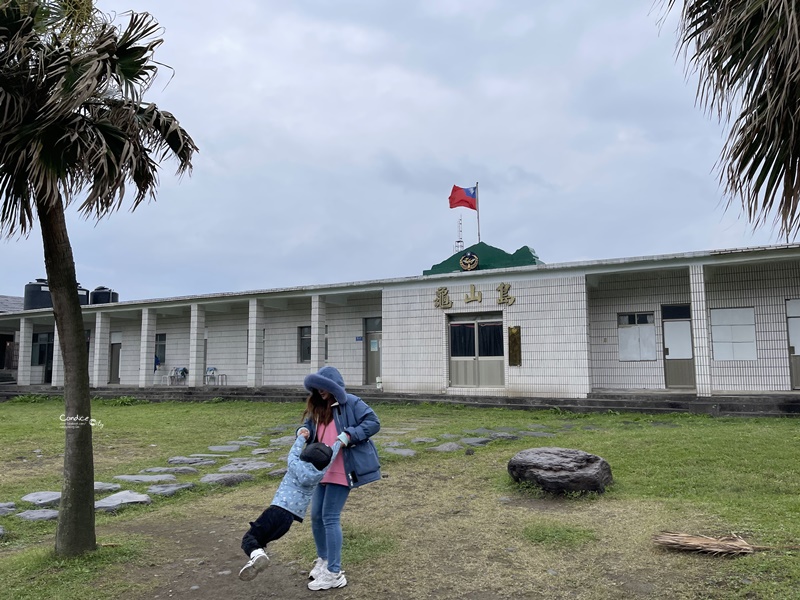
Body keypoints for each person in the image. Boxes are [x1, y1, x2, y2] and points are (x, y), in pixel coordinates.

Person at [298, 366, 381, 591]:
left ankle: (335, 573)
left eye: (323, 387)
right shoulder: (319, 406)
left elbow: (373, 422)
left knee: (330, 516)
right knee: (315, 516)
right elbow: (310, 426)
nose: (319, 391)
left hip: (342, 469)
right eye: (316, 387)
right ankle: (324, 561)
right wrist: (303, 431)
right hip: (321, 468)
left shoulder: (352, 402)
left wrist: (349, 435)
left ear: (333, 387)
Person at [238, 435, 345, 582]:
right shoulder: (319, 473)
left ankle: (257, 556)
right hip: (288, 520)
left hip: (276, 511)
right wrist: (339, 442)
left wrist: (301, 437)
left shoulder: (294, 464)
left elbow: (293, 452)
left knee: (249, 539)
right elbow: (330, 460)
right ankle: (256, 558)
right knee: (261, 540)